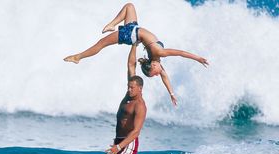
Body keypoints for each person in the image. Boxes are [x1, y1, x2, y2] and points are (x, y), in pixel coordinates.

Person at [64, 3, 209, 106]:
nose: (159, 74)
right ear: (154, 65)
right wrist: (171, 94)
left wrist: (197, 58)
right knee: (130, 6)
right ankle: (111, 25)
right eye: (156, 74)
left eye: (154, 74)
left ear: (152, 65)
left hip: (132, 35)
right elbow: (171, 68)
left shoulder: (158, 55)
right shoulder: (158, 56)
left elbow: (178, 57)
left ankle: (78, 57)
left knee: (101, 43)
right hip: (134, 30)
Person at [105, 44, 146, 154]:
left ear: (140, 89)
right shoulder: (128, 96)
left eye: (132, 88)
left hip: (128, 143)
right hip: (119, 141)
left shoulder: (140, 105)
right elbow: (131, 65)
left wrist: (118, 146)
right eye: (128, 87)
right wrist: (135, 45)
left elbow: (136, 132)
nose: (129, 90)